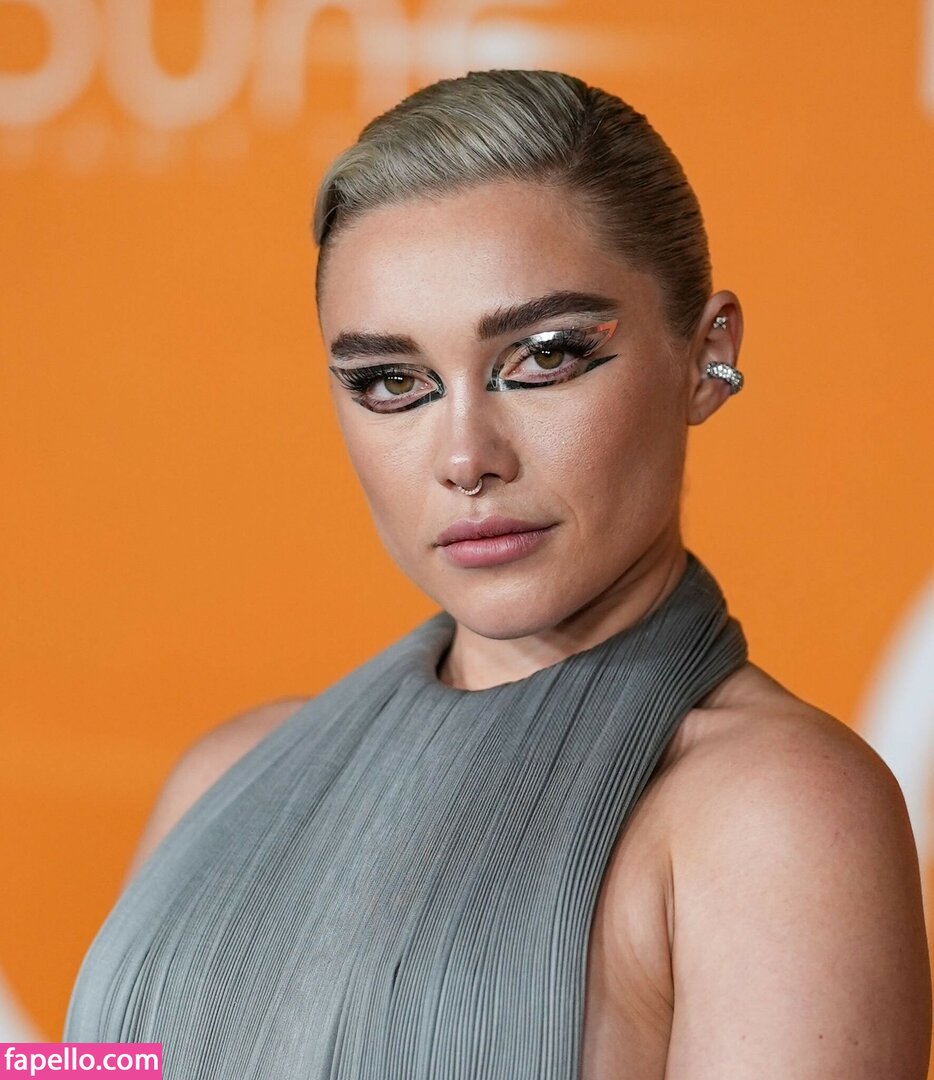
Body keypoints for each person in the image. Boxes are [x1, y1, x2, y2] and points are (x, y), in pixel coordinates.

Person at [64, 69, 931, 1078]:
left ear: (706, 353)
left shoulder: (773, 817)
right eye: (393, 381)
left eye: (544, 358)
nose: (466, 457)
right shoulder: (223, 780)